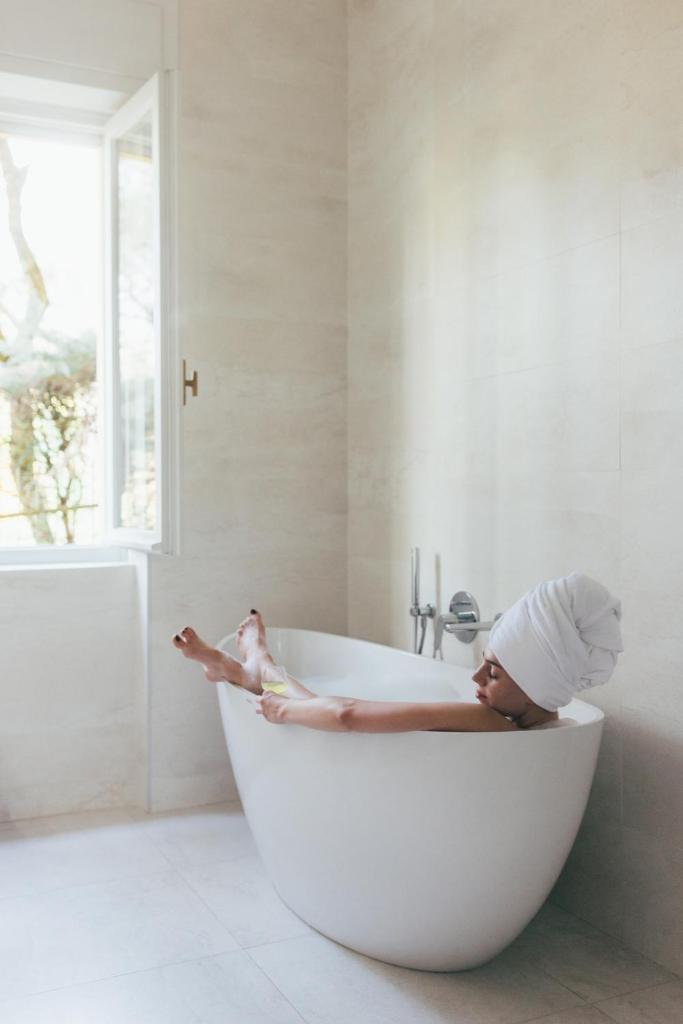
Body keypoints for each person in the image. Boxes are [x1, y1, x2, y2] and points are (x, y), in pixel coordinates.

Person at [172, 572, 623, 733]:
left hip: (342, 736)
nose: (475, 679)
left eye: (494, 673)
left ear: (534, 686)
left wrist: (283, 713)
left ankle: (260, 671)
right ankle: (257, 670)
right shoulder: (552, 729)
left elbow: (346, 715)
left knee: (313, 705)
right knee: (313, 701)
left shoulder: (491, 723)